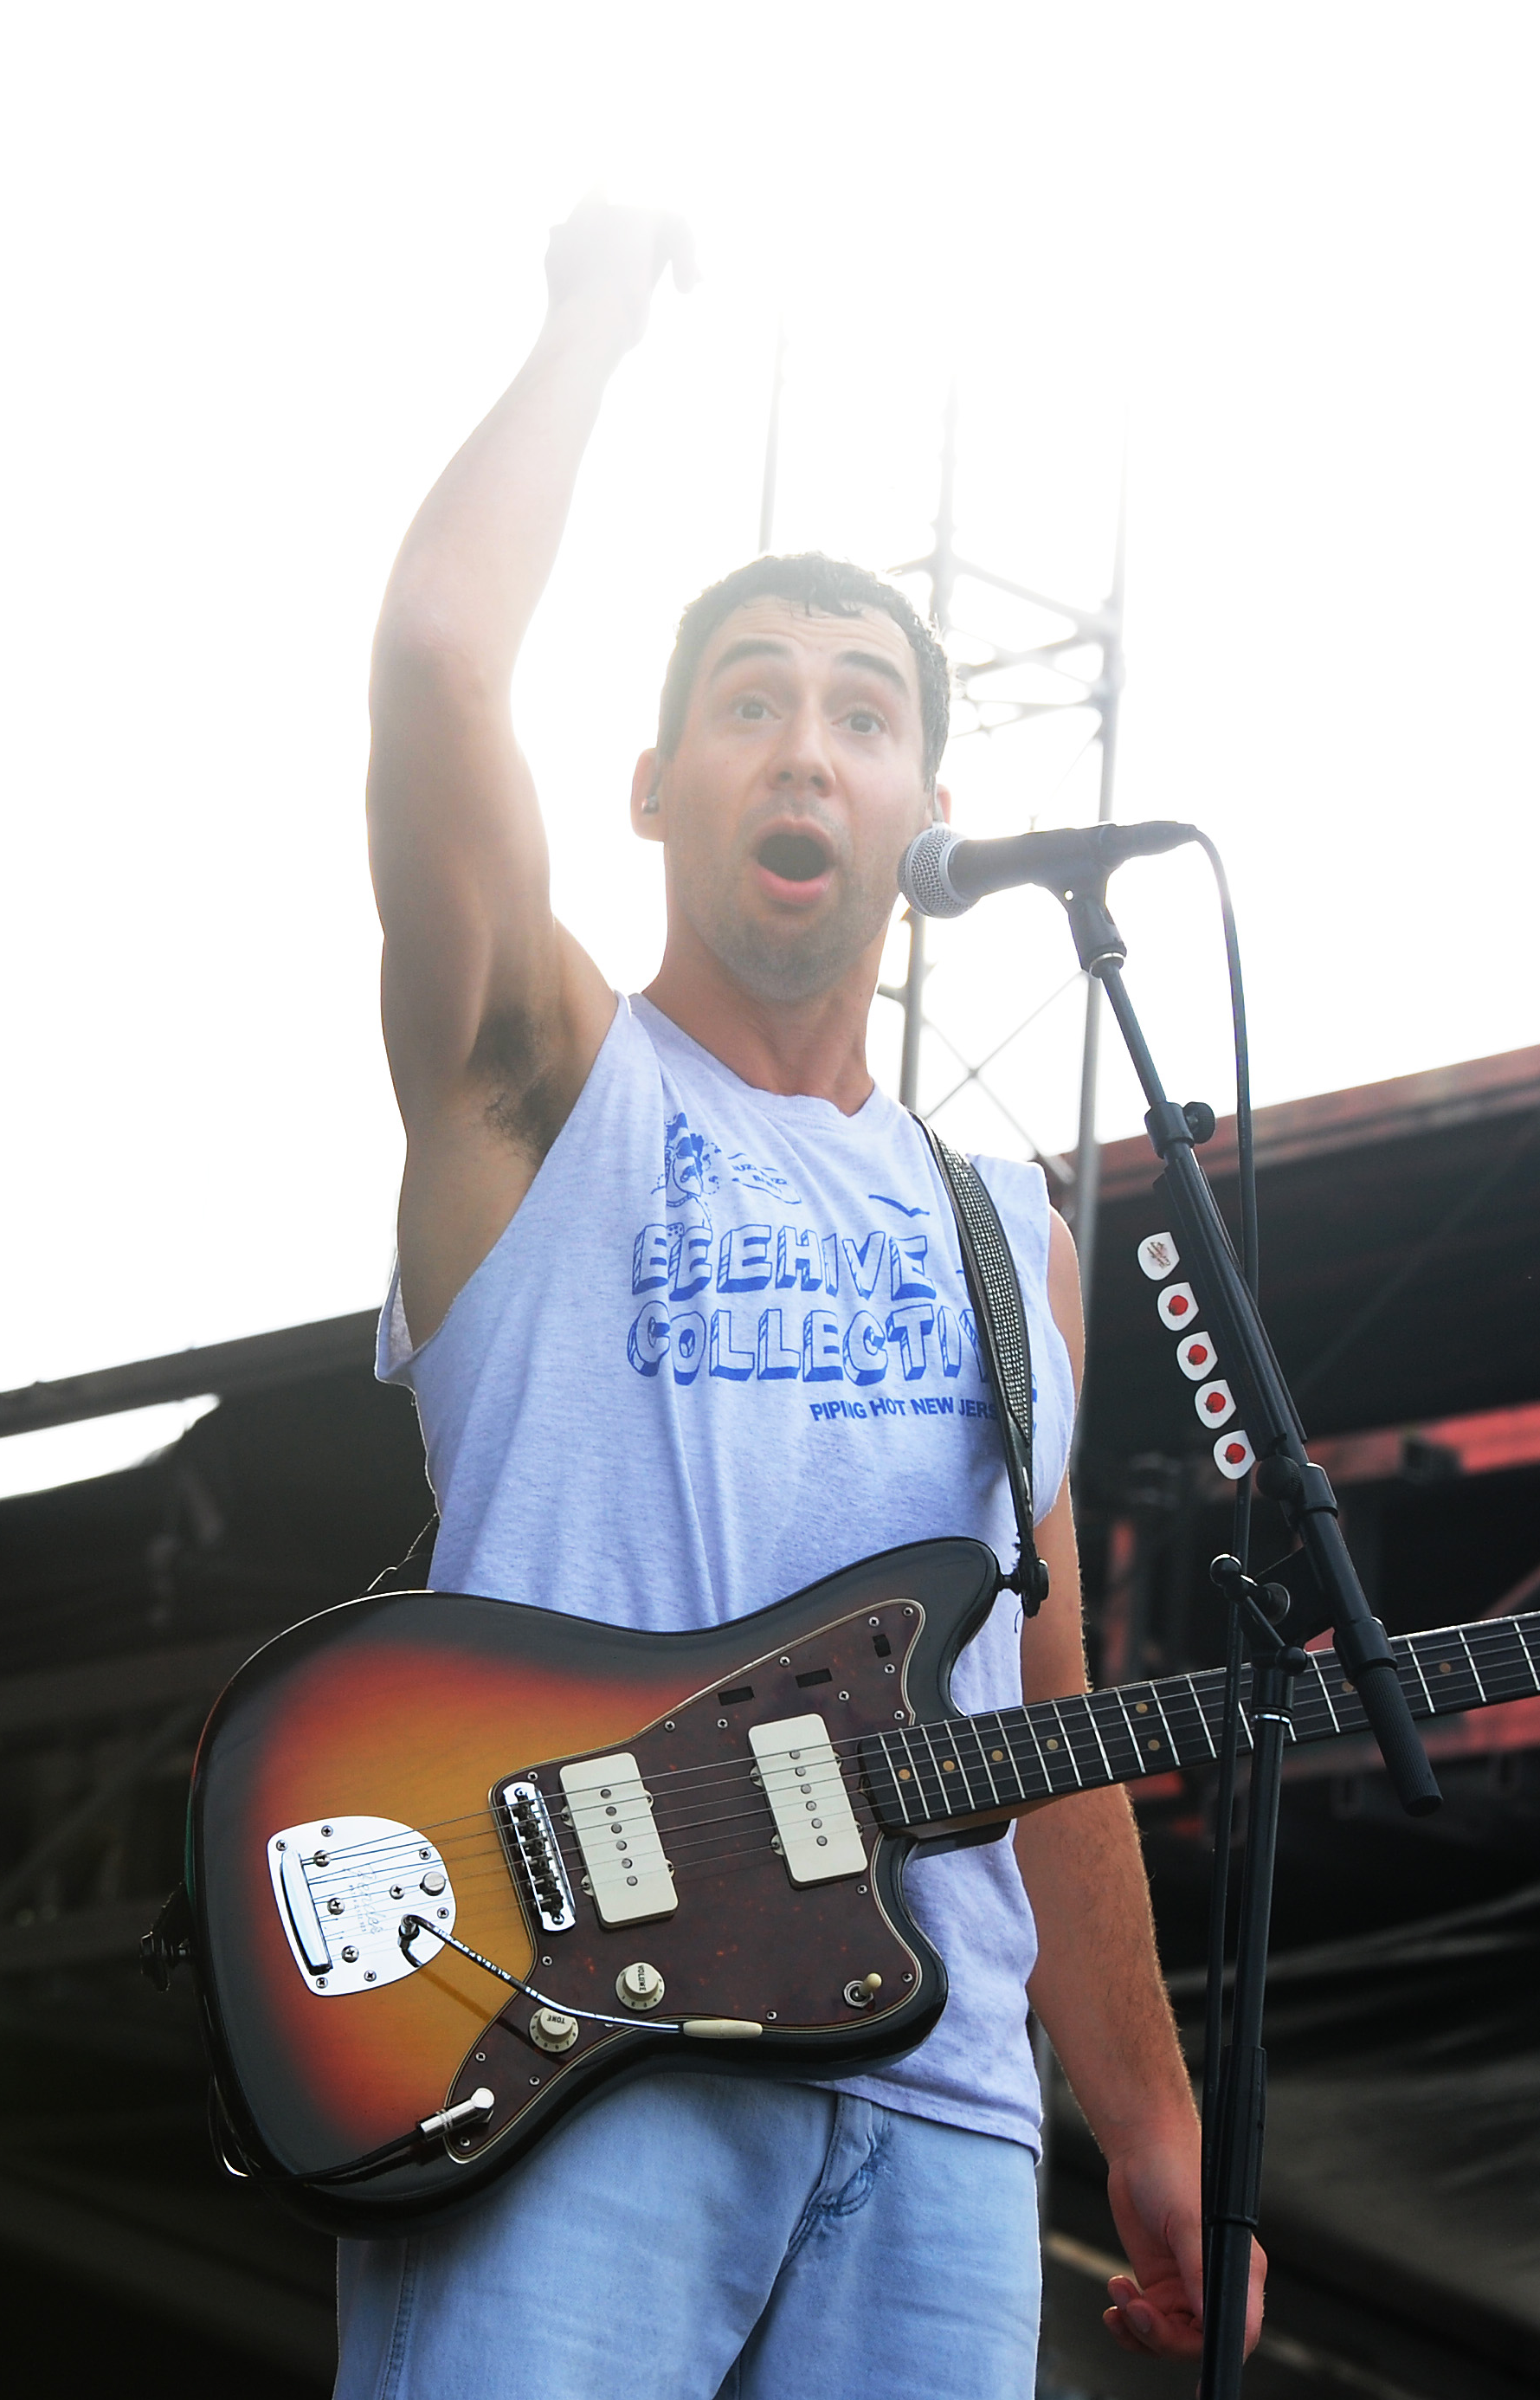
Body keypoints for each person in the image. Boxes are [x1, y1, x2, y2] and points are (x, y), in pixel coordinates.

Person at [350, 197, 1264, 2397]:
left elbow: (1041, 1699)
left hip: (934, 2108)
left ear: (924, 814)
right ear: (652, 787)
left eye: (859, 716)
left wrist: (1149, 2120)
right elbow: (436, 659)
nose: (802, 750)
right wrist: (587, 317)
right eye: (747, 703)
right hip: (569, 2036)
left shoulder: (1008, 1235)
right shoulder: (538, 1081)